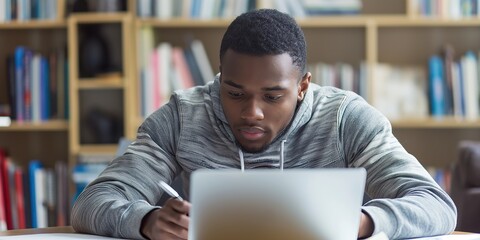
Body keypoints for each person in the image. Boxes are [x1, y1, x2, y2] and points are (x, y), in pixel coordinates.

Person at [71, 9, 457, 240]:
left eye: (272, 96)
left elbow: (435, 204)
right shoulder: (181, 116)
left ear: (303, 86)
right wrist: (148, 221)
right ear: (220, 77)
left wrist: (362, 221)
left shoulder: (345, 118)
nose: (252, 112)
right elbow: (92, 202)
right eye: (235, 93)